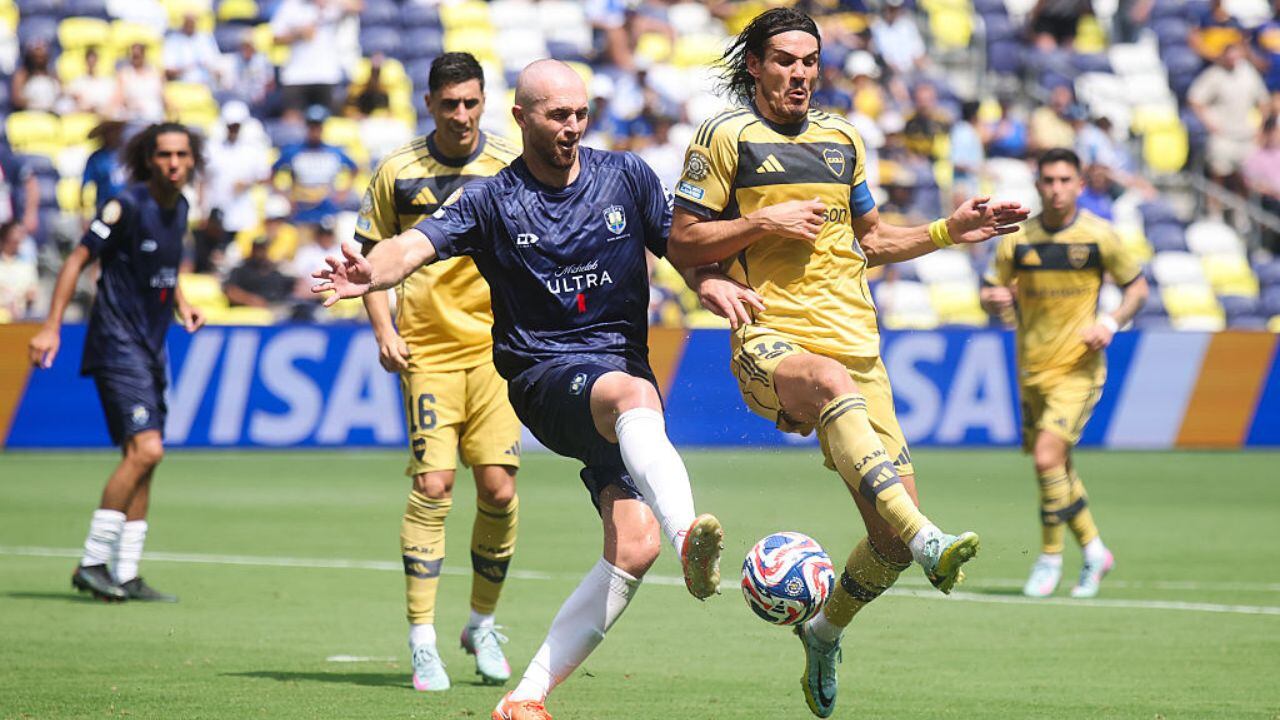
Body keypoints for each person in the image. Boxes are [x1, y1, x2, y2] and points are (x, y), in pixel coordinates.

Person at [313, 59, 725, 720]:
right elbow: (413, 246)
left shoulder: (627, 177)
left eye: (579, 114)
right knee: (631, 400)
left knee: (631, 546)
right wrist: (370, 271)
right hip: (544, 376)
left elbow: (682, 247)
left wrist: (712, 283)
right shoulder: (490, 198)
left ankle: (525, 696)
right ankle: (689, 538)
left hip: (616, 378)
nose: (570, 127)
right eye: (556, 115)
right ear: (522, 118)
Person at [665, 9, 1028, 717]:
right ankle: (932, 541)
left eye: (809, 61)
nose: (799, 73)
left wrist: (952, 230)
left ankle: (825, 632)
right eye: (784, 60)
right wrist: (761, 223)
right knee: (837, 401)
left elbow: (872, 240)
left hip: (858, 343)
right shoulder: (725, 137)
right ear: (756, 67)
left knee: (884, 543)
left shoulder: (843, 139)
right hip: (772, 337)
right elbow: (683, 240)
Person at [353, 52, 523, 693]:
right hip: (427, 352)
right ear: (429, 104)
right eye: (449, 104)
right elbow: (367, 260)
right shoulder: (398, 171)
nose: (461, 115)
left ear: (485, 103)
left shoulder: (509, 163)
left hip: (498, 353)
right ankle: (422, 640)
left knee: (500, 491)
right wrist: (383, 329)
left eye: (471, 103)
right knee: (435, 485)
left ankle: (481, 624)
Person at [27, 123, 207, 602]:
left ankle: (125, 573)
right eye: (164, 154)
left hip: (151, 345)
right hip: (115, 341)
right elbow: (76, 261)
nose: (173, 163)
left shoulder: (182, 207)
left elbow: (161, 272)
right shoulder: (125, 205)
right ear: (148, 160)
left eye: (182, 155)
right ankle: (91, 562)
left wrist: (181, 302)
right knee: (147, 450)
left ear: (193, 160)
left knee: (144, 459)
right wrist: (50, 326)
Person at [979, 148, 1148, 600]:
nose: (1056, 188)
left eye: (1064, 180)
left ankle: (1050, 557)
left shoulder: (1099, 237)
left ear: (1079, 185)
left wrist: (1110, 323)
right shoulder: (1018, 238)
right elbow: (991, 289)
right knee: (1057, 467)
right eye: (1048, 180)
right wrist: (993, 300)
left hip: (1078, 368)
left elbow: (1137, 286)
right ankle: (1094, 550)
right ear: (1038, 185)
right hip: (1031, 371)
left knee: (1046, 458)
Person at [272, 105, 358, 223]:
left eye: (318, 127)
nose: (315, 131)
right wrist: (285, 196)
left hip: (328, 207)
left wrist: (344, 192)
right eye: (312, 127)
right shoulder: (293, 151)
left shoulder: (334, 152)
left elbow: (354, 169)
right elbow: (273, 172)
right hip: (301, 208)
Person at [82, 119, 128, 216]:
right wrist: (86, 213)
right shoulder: (97, 158)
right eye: (110, 131)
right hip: (105, 207)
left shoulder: (128, 155)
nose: (115, 134)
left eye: (117, 130)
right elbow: (88, 185)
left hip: (128, 207)